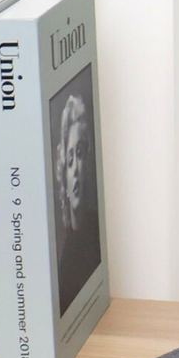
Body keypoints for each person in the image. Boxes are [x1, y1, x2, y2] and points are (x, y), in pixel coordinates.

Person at [54, 91, 101, 315]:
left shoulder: (94, 236)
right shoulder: (65, 255)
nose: (75, 169)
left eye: (80, 153)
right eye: (70, 158)